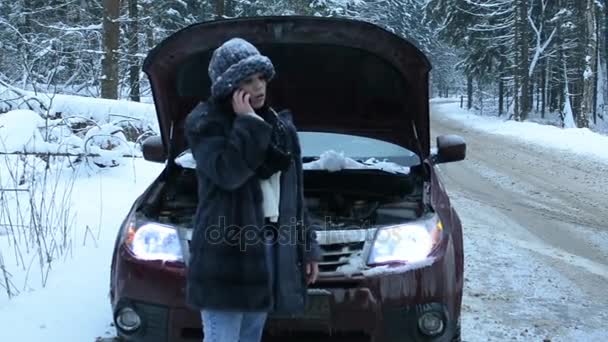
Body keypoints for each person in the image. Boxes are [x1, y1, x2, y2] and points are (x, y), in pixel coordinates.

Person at [183, 37, 322, 342]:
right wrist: (247, 124)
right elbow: (228, 173)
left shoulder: (278, 127)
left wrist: (307, 247)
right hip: (225, 256)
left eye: (261, 78)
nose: (259, 87)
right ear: (229, 86)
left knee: (251, 337)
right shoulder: (206, 124)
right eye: (248, 80)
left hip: (270, 247)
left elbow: (293, 198)